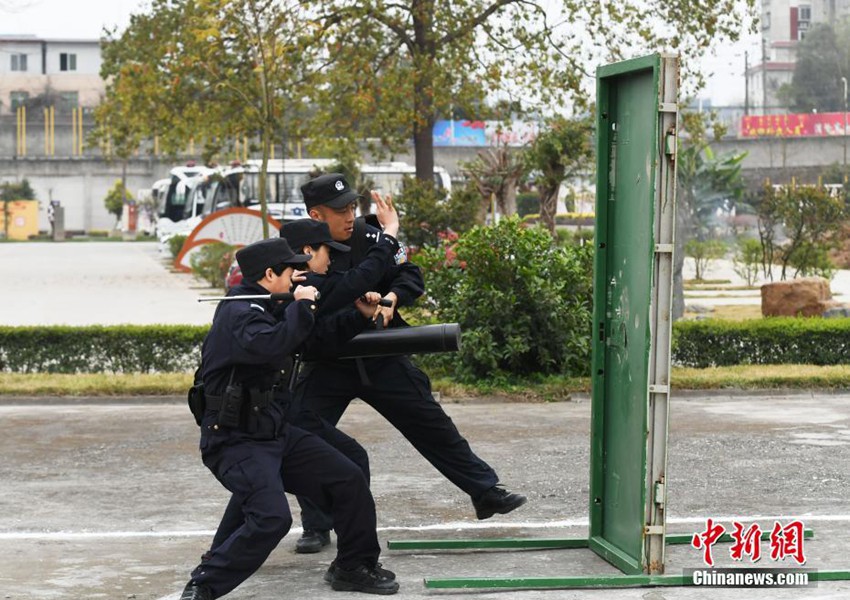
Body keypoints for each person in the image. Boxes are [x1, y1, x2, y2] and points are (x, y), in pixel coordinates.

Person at [287, 173, 527, 555]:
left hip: (381, 353)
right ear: (316, 214)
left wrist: (394, 297)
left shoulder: (371, 237)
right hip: (329, 361)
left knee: (430, 421)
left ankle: (484, 491)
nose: (350, 215)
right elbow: (332, 297)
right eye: (339, 210)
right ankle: (316, 525)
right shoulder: (304, 248)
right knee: (305, 434)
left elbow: (410, 275)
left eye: (352, 206)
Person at [180, 237, 398, 600]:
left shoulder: (270, 306)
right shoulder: (239, 314)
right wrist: (301, 306)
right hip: (235, 440)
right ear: (269, 274)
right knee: (272, 518)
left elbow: (313, 340)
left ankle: (353, 566)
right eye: (291, 270)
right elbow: (273, 344)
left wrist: (356, 314)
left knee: (348, 477)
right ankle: (204, 585)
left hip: (274, 432)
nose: (299, 275)